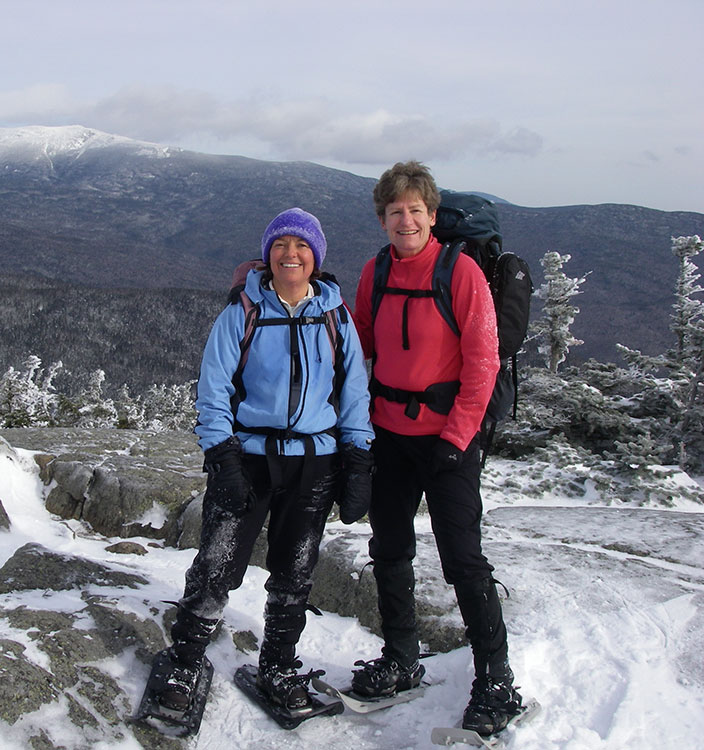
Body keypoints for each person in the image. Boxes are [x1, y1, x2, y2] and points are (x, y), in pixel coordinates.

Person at [150, 207, 375, 720]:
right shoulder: (243, 311)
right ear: (267, 254)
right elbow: (212, 390)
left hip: (315, 462)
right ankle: (184, 660)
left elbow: (354, 392)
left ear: (315, 257)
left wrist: (358, 459)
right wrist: (222, 456)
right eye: (280, 246)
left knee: (295, 572)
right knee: (217, 564)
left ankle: (277, 663)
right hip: (249, 458)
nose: (289, 255)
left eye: (300, 247)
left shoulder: (336, 316)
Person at [351, 161, 524, 737]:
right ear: (383, 219)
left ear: (431, 215)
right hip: (389, 436)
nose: (406, 220)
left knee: (463, 560)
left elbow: (483, 360)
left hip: (448, 441)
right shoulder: (376, 272)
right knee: (391, 547)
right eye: (395, 211)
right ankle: (402, 659)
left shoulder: (463, 273)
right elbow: (359, 344)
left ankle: (496, 681)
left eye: (415, 210)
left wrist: (458, 437)